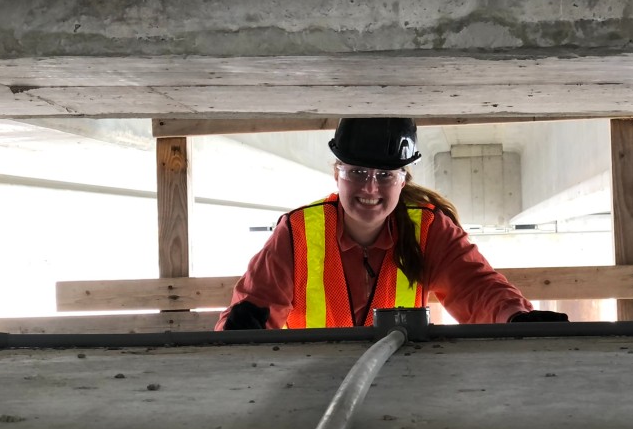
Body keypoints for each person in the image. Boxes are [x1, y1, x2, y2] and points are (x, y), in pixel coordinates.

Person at [216, 117, 569, 330]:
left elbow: (478, 289)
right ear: (336, 174)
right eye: (357, 172)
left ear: (403, 179)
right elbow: (254, 304)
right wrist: (240, 329)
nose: (370, 187)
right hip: (312, 385)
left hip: (398, 382)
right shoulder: (297, 233)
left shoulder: (428, 229)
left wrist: (514, 318)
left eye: (385, 175)